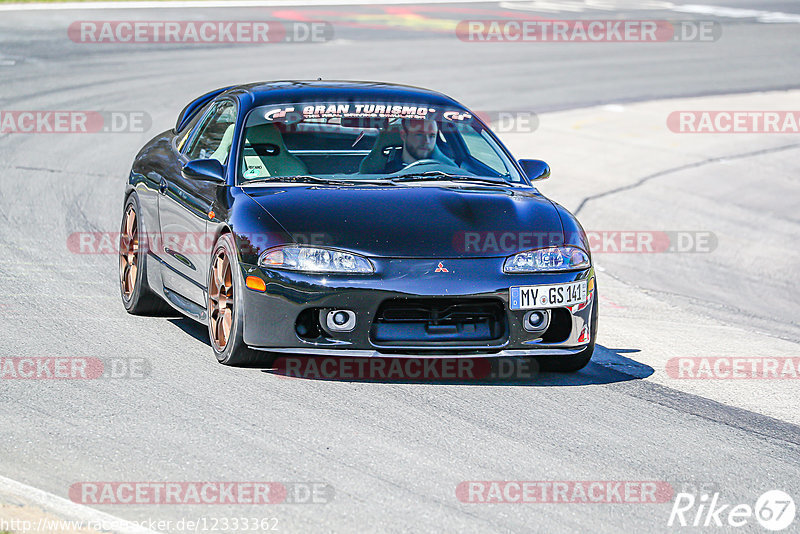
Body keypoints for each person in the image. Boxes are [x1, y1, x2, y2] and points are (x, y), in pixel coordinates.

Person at [383, 118, 454, 173]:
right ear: (404, 135)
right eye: (419, 134)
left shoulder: (447, 173)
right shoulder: (385, 174)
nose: (427, 141)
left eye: (432, 136)